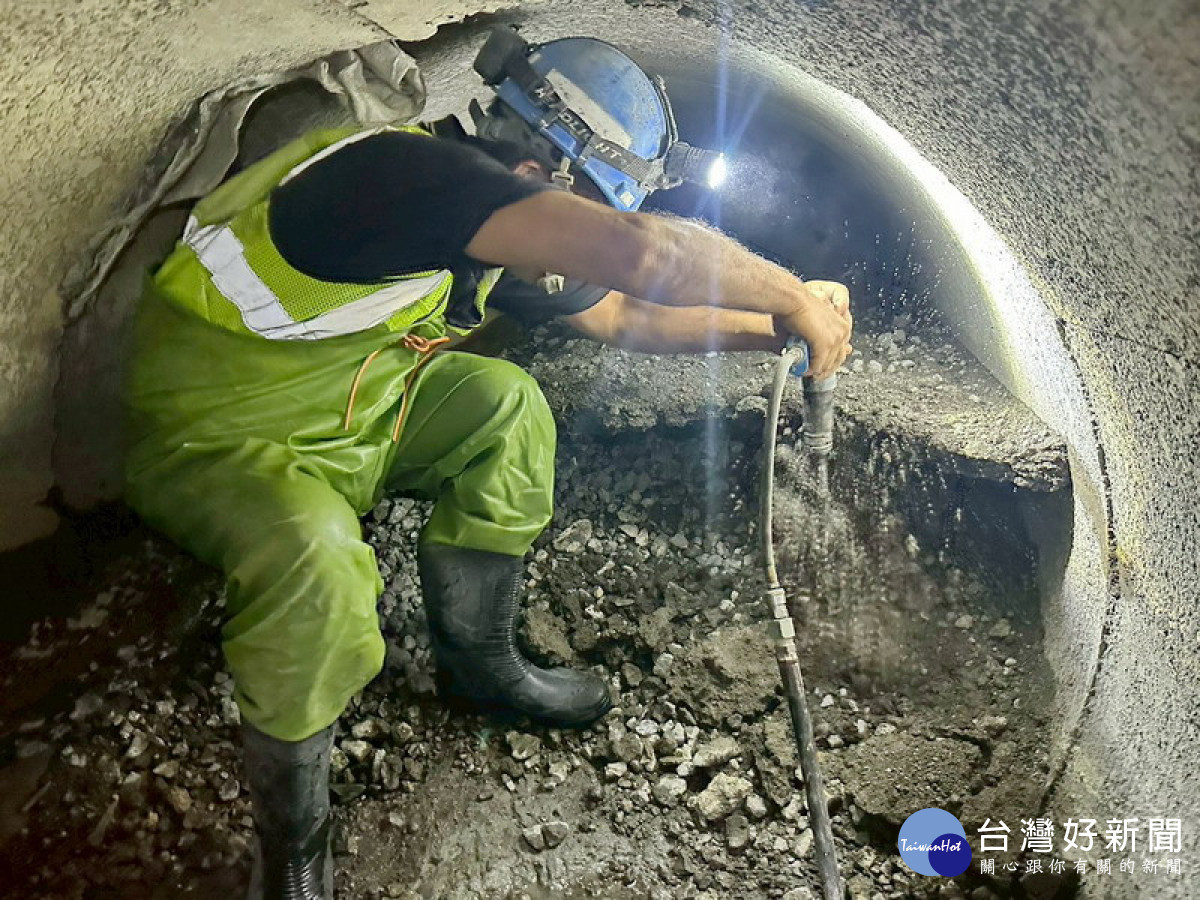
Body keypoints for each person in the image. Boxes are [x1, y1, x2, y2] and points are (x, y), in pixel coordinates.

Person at [123, 27, 852, 900]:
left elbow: (621, 315)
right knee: (315, 563)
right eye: (589, 200)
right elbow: (642, 254)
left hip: (352, 414)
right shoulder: (393, 178)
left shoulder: (481, 224)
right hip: (217, 441)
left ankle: (480, 668)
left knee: (505, 406)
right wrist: (788, 292)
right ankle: (292, 851)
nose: (582, 225)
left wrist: (776, 332)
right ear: (545, 166)